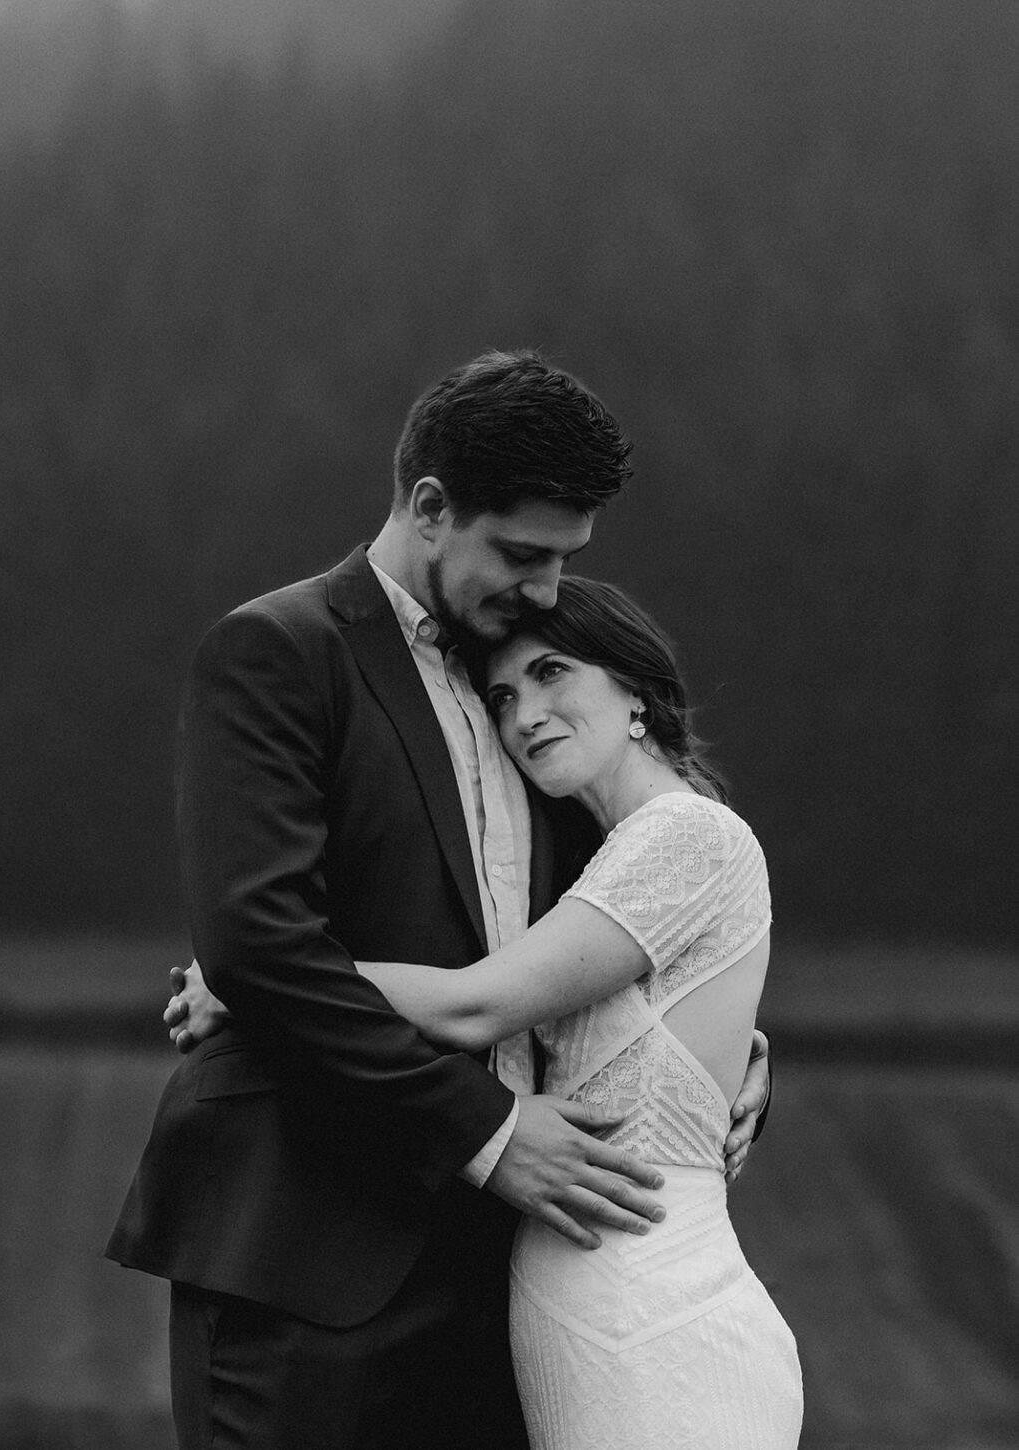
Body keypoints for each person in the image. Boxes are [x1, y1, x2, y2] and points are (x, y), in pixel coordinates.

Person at [108, 349, 770, 1450]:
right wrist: (493, 1135)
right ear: (428, 507)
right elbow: (261, 943)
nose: (547, 590)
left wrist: (728, 1063)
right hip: (310, 1261)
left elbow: (630, 922)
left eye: (565, 561)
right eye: (522, 553)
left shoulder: (535, 695)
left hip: (507, 1282)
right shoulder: (278, 653)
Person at [172, 576, 800, 1449]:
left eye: (552, 674)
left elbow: (480, 1004)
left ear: (639, 696)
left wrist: (251, 974)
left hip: (651, 1304)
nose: (525, 714)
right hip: (561, 1304)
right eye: (503, 696)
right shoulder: (600, 854)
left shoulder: (684, 836)